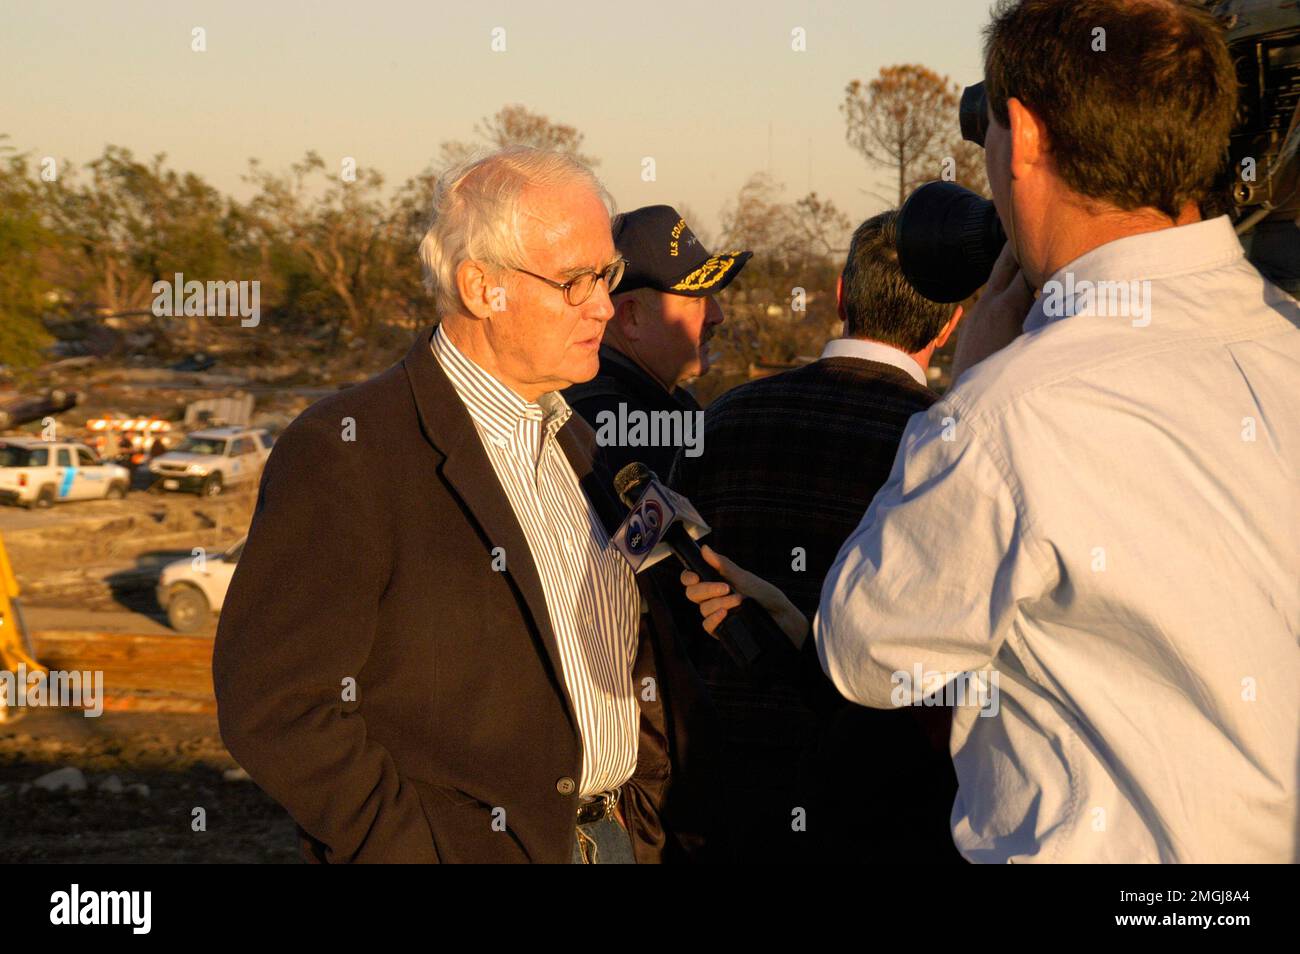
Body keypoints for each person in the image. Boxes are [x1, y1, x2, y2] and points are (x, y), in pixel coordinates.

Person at [678, 0, 1299, 863]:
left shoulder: (1011, 412)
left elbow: (866, 650)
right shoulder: (1283, 341)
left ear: (1025, 135)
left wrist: (968, 387)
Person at [213, 147, 714, 864]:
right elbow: (277, 707)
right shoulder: (348, 451)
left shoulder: (577, 440)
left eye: (605, 276)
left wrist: (644, 812)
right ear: (482, 288)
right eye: (575, 282)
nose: (604, 305)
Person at [669, 209, 963, 862]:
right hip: (885, 807)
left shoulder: (722, 419)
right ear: (950, 322)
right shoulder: (950, 448)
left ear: (839, 296)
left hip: (720, 792)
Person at [563, 204, 750, 477]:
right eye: (697, 299)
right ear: (631, 317)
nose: (717, 315)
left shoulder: (651, 405)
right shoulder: (616, 428)